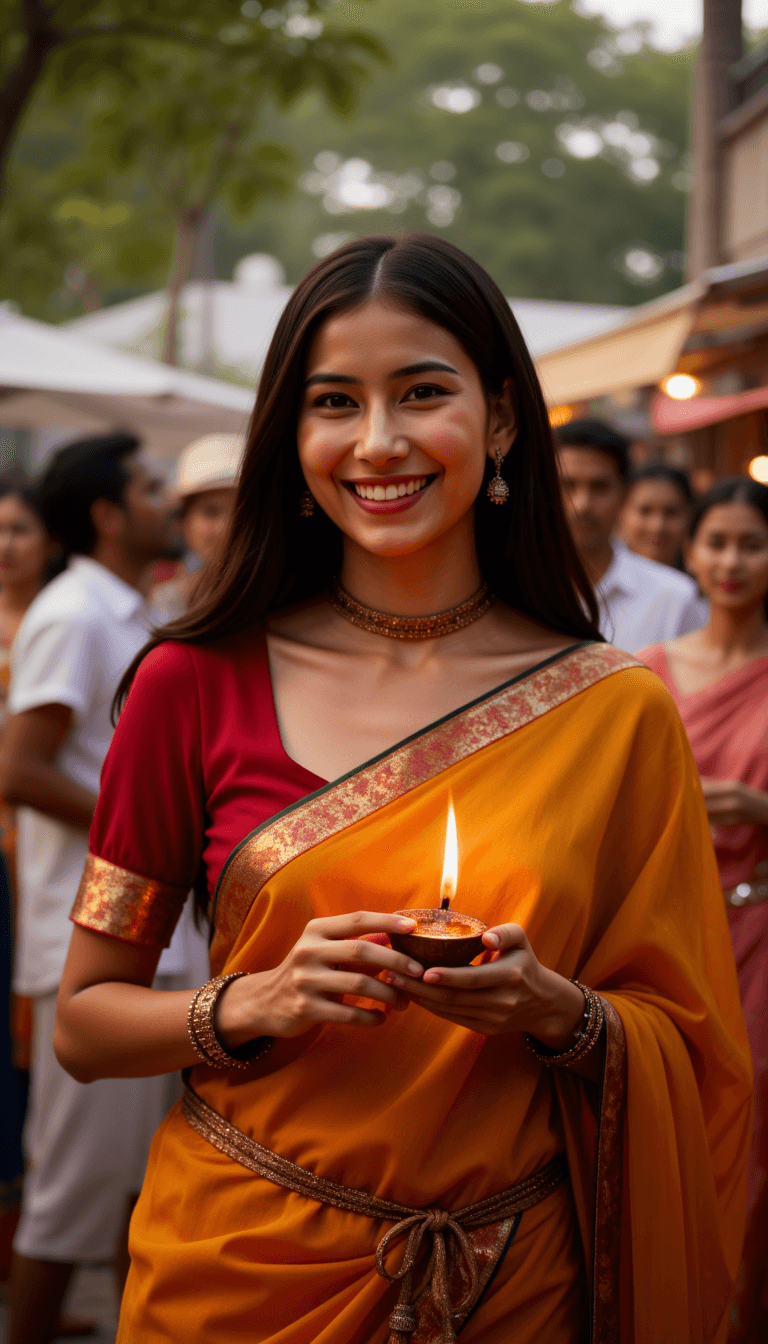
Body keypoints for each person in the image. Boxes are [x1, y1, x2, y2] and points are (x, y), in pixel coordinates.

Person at [54, 235, 750, 1344]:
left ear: (505, 418)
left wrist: (553, 1011)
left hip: (517, 1286)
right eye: (335, 401)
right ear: (292, 434)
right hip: (236, 1273)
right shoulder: (190, 683)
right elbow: (85, 1024)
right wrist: (255, 1002)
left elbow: (690, 1045)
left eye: (422, 392)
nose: (377, 442)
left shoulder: (614, 712)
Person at [0, 433, 184, 1344]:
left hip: (140, 940)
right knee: (69, 1198)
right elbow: (21, 768)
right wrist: (156, 839)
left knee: (136, 1187)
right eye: (152, 485)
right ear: (108, 516)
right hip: (84, 943)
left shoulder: (129, 610)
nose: (168, 502)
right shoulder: (75, 613)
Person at [639, 476, 768, 1344]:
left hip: (759, 925)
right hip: (668, 930)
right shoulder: (647, 675)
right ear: (690, 551)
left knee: (749, 1125)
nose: (730, 561)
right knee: (663, 1119)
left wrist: (762, 813)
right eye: (715, 542)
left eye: (751, 545)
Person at [0, 476, 58, 1283]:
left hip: (31, 868)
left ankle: (24, 1258)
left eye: (18, 528)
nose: (6, 544)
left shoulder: (56, 620)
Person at [555, 419, 707, 652]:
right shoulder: (514, 593)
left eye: (599, 487)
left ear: (625, 493)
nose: (582, 504)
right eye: (568, 485)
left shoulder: (675, 599)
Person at [151, 432, 244, 625]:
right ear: (183, 521)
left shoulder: (279, 601)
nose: (226, 527)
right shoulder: (162, 604)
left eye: (241, 511)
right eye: (210, 512)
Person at [620, 460, 696, 570]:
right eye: (645, 511)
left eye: (671, 512)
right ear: (621, 513)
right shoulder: (597, 581)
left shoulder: (701, 585)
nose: (657, 526)